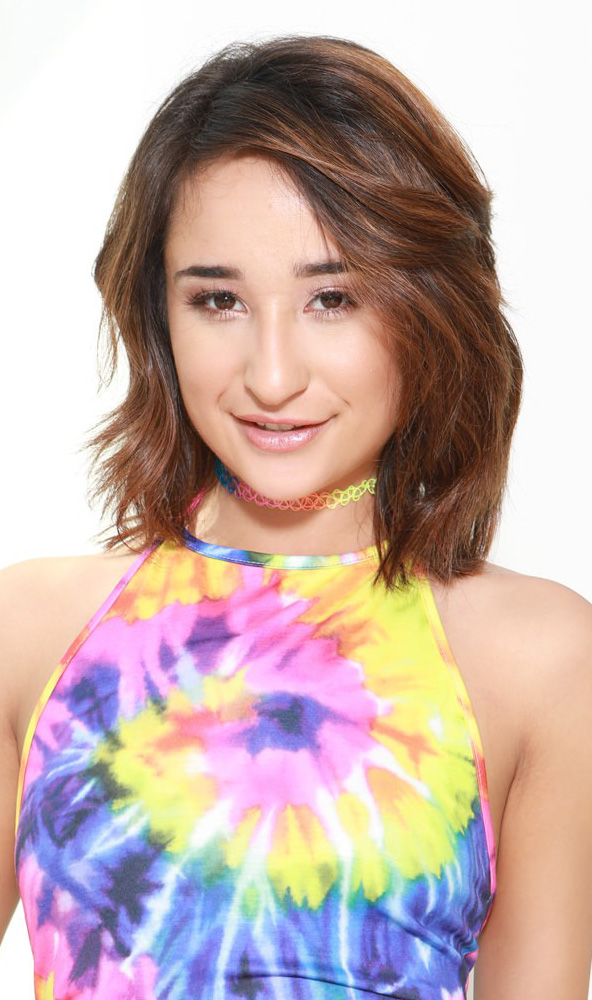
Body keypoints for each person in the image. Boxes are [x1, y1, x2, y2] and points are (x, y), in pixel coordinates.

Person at [1, 33, 591, 1000]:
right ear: (160, 320)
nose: (272, 376)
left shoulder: (542, 660)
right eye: (219, 300)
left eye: (333, 298)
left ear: (429, 307)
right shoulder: (28, 633)